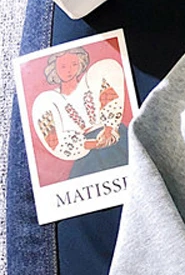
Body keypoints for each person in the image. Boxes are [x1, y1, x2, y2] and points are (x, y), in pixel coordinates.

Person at [31, 47, 127, 178]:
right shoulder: (48, 100)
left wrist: (108, 130)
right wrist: (93, 144)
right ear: (54, 69)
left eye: (74, 64)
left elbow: (111, 101)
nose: (69, 70)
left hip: (114, 138)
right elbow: (55, 141)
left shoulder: (93, 79)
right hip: (86, 151)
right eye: (63, 66)